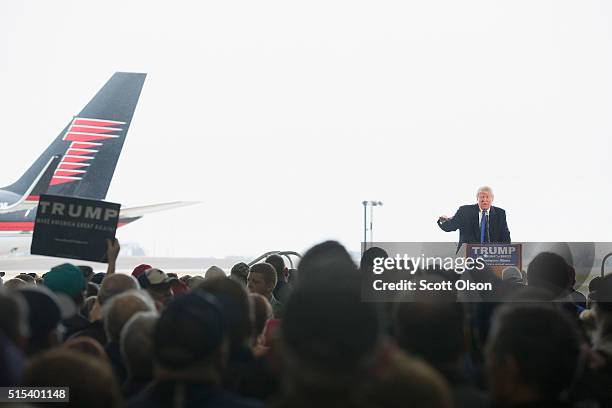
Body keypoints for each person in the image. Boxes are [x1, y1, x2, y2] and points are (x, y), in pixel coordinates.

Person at [437, 186, 511, 252]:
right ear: (477, 198)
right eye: (482, 197)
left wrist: (507, 253)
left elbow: (505, 236)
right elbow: (451, 226)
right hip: (468, 254)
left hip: (492, 256)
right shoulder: (464, 211)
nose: (484, 200)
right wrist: (443, 221)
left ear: (492, 198)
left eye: (487, 197)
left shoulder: (500, 213)